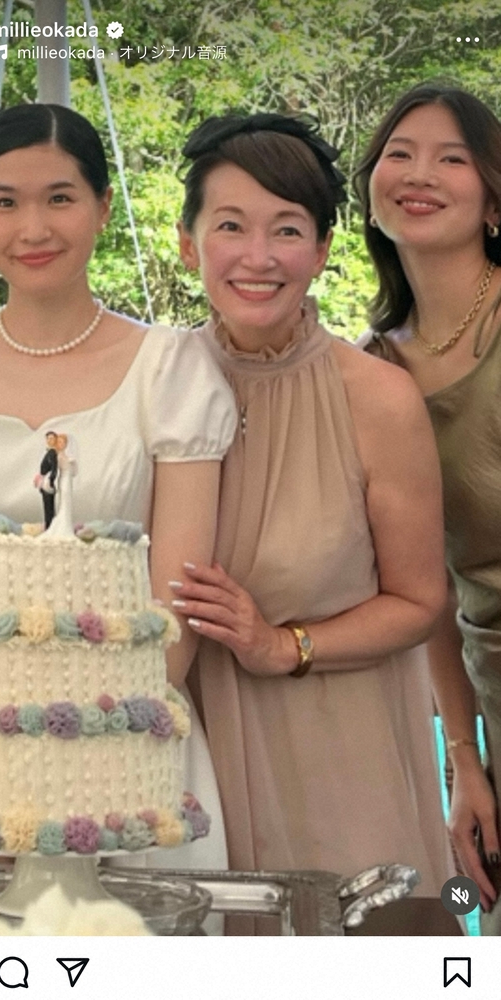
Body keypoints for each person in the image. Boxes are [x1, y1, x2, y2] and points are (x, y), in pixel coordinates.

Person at [0, 103, 236, 870]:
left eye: (59, 198)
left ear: (101, 207)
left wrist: (81, 762)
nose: (34, 228)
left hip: (130, 767)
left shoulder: (171, 369)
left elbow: (176, 610)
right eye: (5, 202)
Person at [173, 112, 455, 928]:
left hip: (341, 757)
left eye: (288, 229)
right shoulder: (157, 382)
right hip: (192, 770)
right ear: (189, 244)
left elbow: (419, 600)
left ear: (324, 249)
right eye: (231, 226)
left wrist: (281, 645)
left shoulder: (379, 396)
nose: (258, 257)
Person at [355, 83, 501, 932]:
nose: (419, 174)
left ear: (493, 198)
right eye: (399, 154)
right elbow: (425, 588)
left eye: (452, 158)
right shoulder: (374, 370)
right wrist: (464, 760)